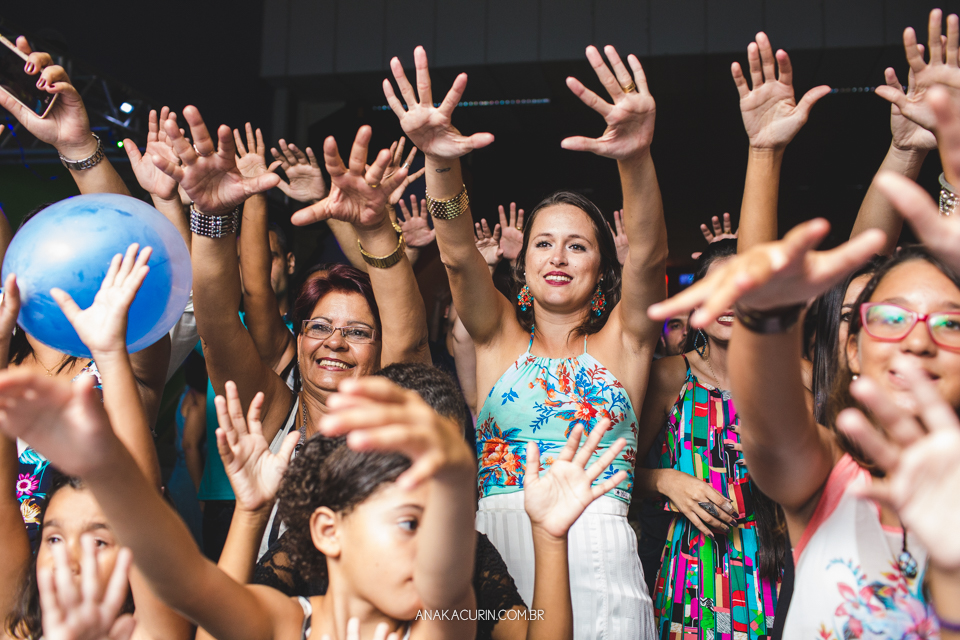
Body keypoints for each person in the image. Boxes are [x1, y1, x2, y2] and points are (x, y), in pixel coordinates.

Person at [380, 44, 665, 638]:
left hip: (602, 561)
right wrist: (440, 162)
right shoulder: (495, 338)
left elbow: (649, 257)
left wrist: (635, 158)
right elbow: (458, 257)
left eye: (577, 245)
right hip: (499, 558)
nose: (557, 256)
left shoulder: (627, 342)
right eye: (543, 243)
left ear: (602, 271)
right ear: (525, 261)